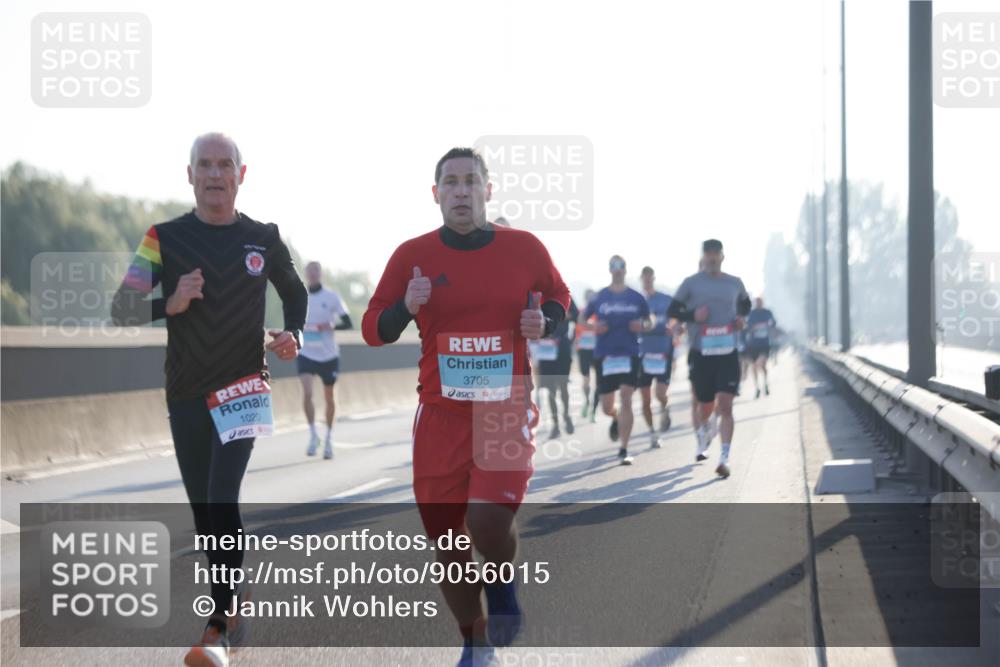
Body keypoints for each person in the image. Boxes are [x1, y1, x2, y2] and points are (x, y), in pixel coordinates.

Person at [361, 147, 570, 667]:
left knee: (486, 518)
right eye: (450, 182)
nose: (460, 190)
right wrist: (404, 309)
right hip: (439, 416)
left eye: (471, 181)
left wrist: (544, 321)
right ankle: (474, 642)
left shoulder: (523, 248)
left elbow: (560, 298)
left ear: (488, 190)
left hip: (503, 409)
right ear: (436, 194)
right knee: (448, 548)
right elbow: (372, 329)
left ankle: (501, 585)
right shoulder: (413, 254)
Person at [111, 132, 307, 667]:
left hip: (244, 387)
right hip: (186, 392)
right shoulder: (162, 237)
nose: (215, 173)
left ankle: (217, 627)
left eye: (225, 164)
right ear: (190, 174)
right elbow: (121, 308)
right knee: (205, 511)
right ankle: (232, 605)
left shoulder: (263, 237)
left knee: (222, 498)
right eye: (205, 164)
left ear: (242, 175)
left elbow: (295, 293)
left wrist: (295, 333)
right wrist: (169, 303)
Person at [668, 239, 750, 479]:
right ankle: (705, 429)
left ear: (723, 256)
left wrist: (741, 318)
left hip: (727, 352)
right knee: (705, 405)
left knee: (726, 405)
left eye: (716, 254)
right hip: (701, 354)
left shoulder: (734, 283)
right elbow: (673, 311)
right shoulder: (691, 284)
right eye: (709, 254)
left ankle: (724, 457)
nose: (712, 258)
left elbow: (745, 305)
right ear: (703, 257)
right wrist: (693, 314)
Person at [582, 255, 652, 464]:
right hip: (605, 355)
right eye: (614, 265)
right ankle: (615, 418)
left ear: (625, 269)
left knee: (626, 398)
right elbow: (581, 319)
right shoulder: (600, 296)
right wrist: (593, 327)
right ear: (610, 269)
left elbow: (649, 320)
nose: (618, 269)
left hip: (630, 353)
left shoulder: (636, 296)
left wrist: (643, 326)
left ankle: (624, 449)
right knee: (606, 407)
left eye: (621, 265)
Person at [299, 260, 353, 458]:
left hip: (328, 354)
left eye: (316, 271)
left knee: (330, 397)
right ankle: (313, 435)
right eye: (309, 271)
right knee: (307, 392)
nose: (312, 274)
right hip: (306, 352)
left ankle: (329, 438)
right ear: (305, 274)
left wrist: (331, 326)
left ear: (320, 274)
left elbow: (348, 323)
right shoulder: (300, 295)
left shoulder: (331, 296)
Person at [532, 297, 580, 440]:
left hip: (562, 346)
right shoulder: (537, 297)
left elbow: (577, 317)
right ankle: (555, 425)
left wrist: (570, 339)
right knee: (549, 389)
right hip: (545, 348)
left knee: (563, 385)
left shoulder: (566, 296)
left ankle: (566, 415)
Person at [636, 266, 675, 438]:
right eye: (644, 278)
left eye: (649, 277)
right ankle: (652, 432)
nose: (647, 280)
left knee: (660, 393)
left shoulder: (665, 299)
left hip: (663, 352)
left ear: (653, 278)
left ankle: (665, 407)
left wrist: (674, 327)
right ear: (641, 279)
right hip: (643, 353)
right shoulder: (636, 301)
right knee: (645, 400)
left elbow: (677, 317)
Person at [574, 289, 600, 422]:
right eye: (588, 297)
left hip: (597, 351)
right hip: (583, 350)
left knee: (599, 382)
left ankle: (594, 411)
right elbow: (575, 330)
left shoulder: (600, 314)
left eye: (592, 297)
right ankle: (587, 402)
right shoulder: (580, 312)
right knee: (586, 380)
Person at [745, 297, 777, 398]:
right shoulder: (751, 314)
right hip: (753, 344)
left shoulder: (767, 312)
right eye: (757, 302)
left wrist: (769, 326)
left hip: (765, 344)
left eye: (761, 302)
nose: (759, 303)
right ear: (755, 303)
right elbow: (746, 327)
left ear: (763, 302)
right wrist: (752, 328)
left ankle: (766, 384)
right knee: (755, 367)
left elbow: (773, 323)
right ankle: (758, 387)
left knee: (760, 364)